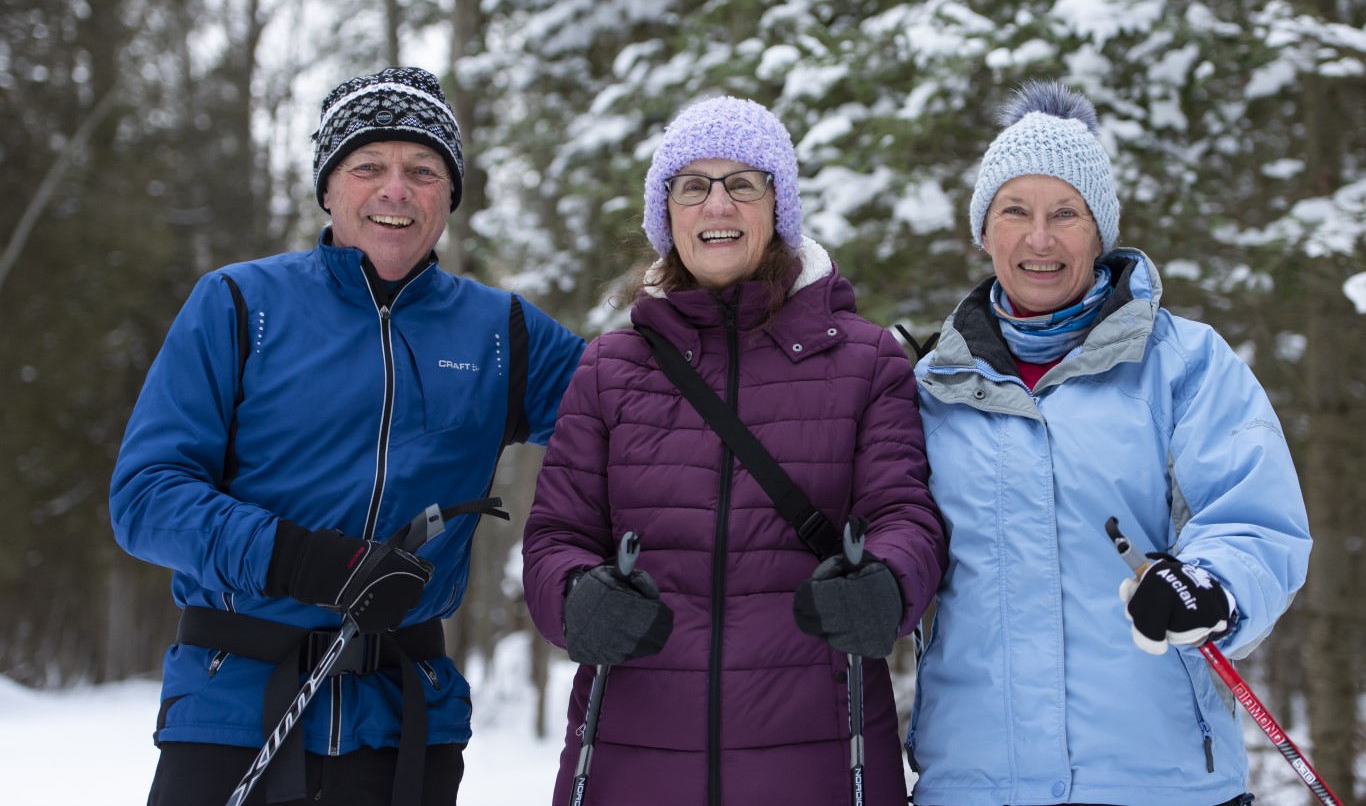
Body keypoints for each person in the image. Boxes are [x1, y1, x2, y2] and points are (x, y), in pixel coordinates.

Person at [110, 66, 586, 806]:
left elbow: (643, 421)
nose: (395, 189)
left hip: (403, 729)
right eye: (368, 166)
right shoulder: (241, 304)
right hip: (233, 713)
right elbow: (145, 497)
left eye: (423, 170)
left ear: (449, 197)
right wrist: (304, 560)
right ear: (327, 188)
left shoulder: (503, 333)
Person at [522, 95, 946, 806]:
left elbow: (908, 516)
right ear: (668, 214)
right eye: (693, 186)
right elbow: (555, 537)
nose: (716, 204)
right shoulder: (609, 367)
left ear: (777, 205)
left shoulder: (867, 360)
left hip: (822, 761)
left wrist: (888, 583)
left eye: (741, 183)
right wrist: (574, 596)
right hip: (632, 758)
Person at [905, 80, 1313, 806]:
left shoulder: (1183, 362)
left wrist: (1211, 584)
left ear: (1100, 230)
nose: (1040, 238)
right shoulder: (932, 385)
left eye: (1066, 212)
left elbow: (1254, 515)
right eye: (1015, 211)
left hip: (1158, 778)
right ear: (983, 229)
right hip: (976, 781)